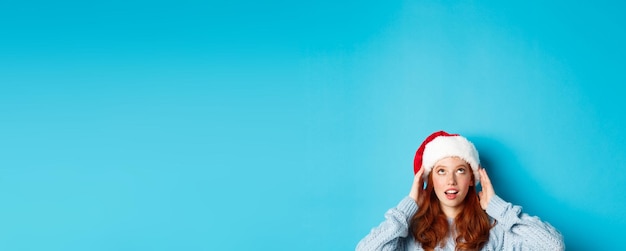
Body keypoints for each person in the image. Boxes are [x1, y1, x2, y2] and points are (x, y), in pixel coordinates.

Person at [356, 131, 564, 251]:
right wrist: (407, 208)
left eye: (460, 170)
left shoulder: (495, 229)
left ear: (473, 179)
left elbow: (553, 246)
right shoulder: (408, 233)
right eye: (441, 171)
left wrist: (498, 208)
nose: (451, 180)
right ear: (428, 181)